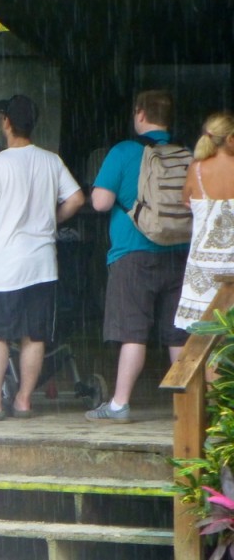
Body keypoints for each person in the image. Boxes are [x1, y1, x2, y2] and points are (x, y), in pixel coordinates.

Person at [0, 95, 83, 420]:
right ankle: (23, 401)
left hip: (4, 265)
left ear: (6, 122)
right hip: (43, 264)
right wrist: (51, 219)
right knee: (35, 334)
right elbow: (76, 198)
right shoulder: (51, 160)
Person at [86, 90, 189, 423]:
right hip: (178, 252)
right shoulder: (186, 154)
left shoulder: (124, 152)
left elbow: (100, 202)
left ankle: (119, 404)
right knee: (178, 333)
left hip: (132, 253)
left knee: (133, 332)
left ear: (140, 114)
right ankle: (188, 406)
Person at [175, 112, 234, 329]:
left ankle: (209, 365)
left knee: (204, 334)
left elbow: (186, 201)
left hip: (203, 266)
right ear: (230, 139)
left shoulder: (196, 169)